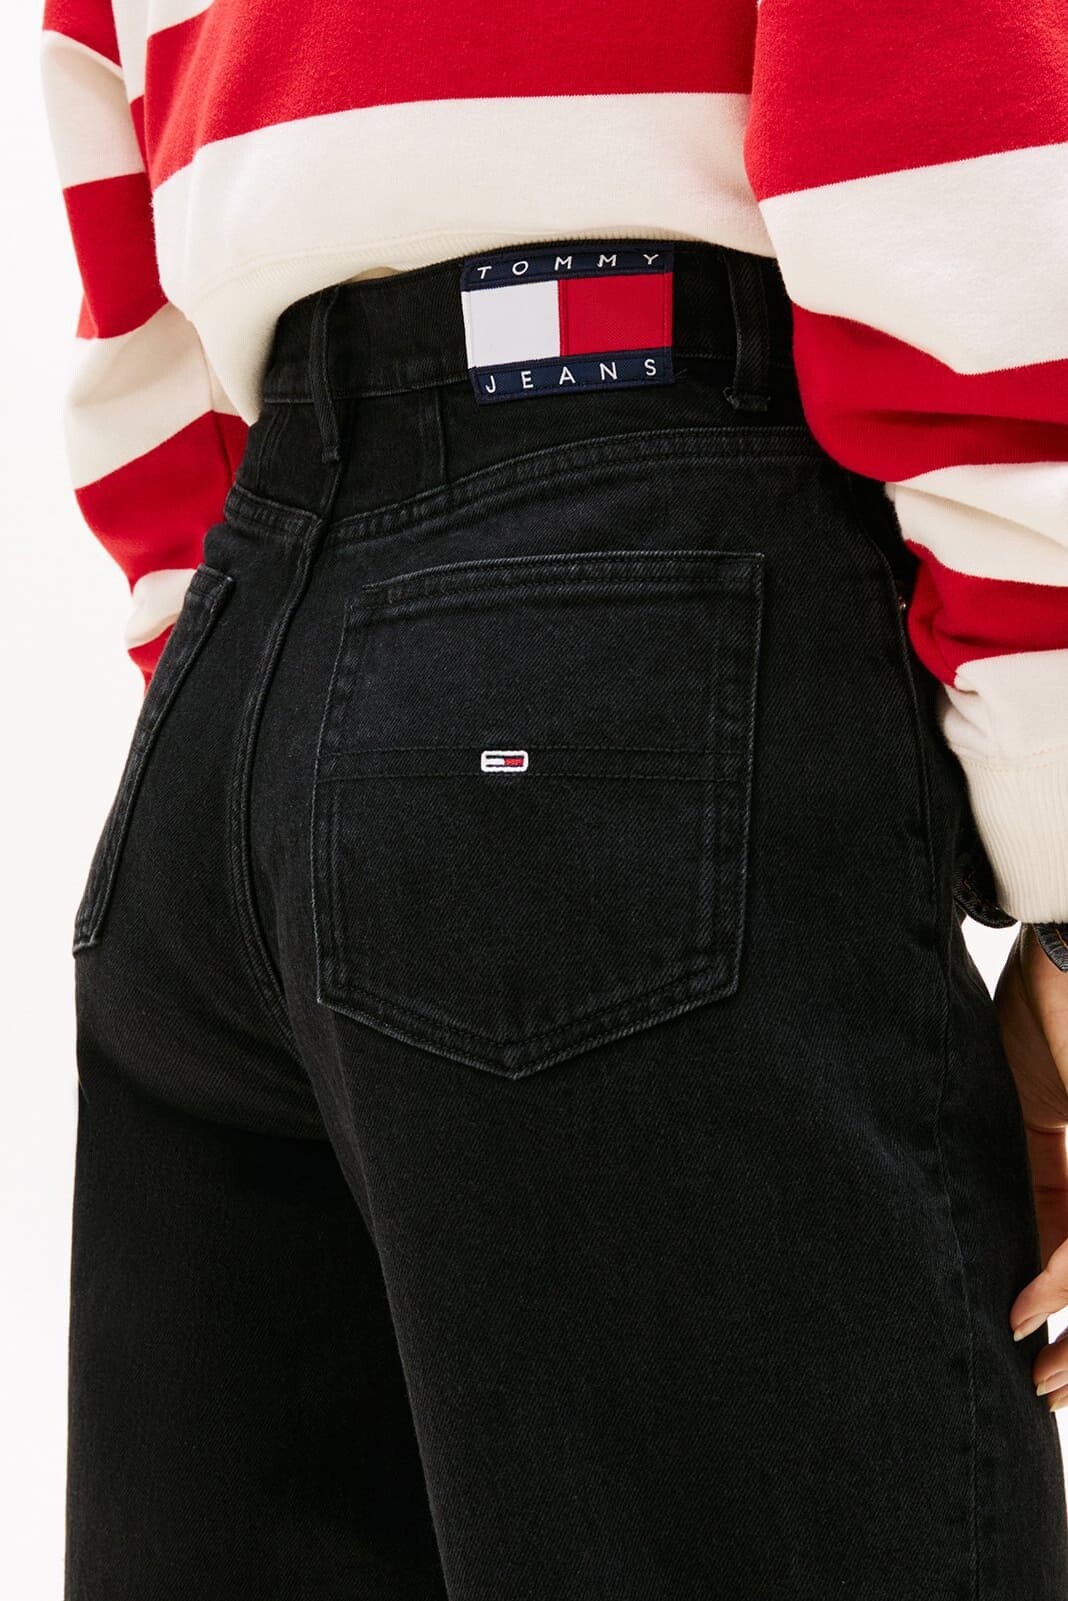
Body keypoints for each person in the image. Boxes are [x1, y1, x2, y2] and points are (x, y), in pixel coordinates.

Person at [39, 2, 1068, 1597]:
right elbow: (944, 155)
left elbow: (124, 250)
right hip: (616, 607)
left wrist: (317, 768)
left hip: (238, 701)